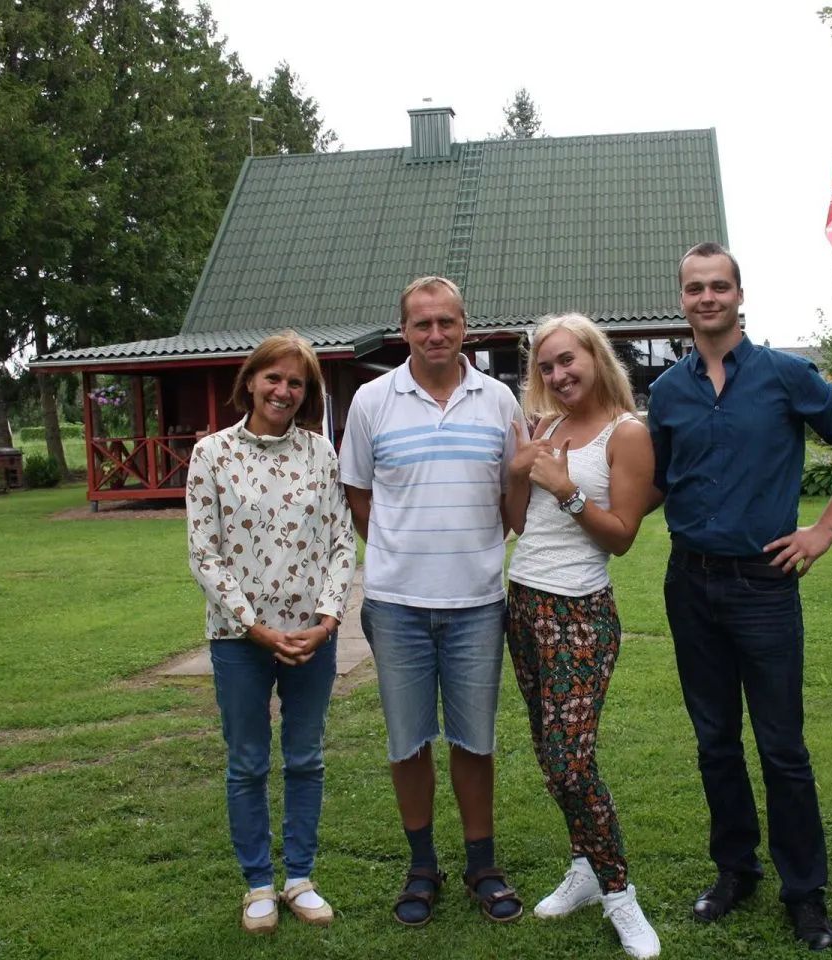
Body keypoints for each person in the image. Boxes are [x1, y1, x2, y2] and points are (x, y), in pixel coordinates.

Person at [646, 242, 832, 952]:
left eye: (719, 286)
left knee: (782, 747)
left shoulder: (784, 376)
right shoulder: (667, 393)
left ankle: (805, 894)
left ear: (740, 295)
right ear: (682, 299)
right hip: (689, 584)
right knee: (715, 742)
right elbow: (659, 482)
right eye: (695, 288)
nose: (707, 297)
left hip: (764, 586)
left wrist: (824, 530)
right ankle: (735, 871)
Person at [339, 276, 530, 926]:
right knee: (408, 741)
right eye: (422, 324)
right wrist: (403, 554)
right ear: (405, 332)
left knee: (475, 742)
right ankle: (422, 866)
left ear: (465, 326)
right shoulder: (371, 401)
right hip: (396, 606)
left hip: (477, 602)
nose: (436, 334)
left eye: (447, 322)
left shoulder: (500, 401)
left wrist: (468, 548)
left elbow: (513, 500)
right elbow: (359, 495)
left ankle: (484, 864)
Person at [184, 331, 357, 934]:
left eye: (296, 383)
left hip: (313, 636)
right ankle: (258, 883)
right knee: (248, 762)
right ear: (251, 381)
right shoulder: (212, 455)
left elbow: (342, 539)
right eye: (274, 378)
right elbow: (205, 554)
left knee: (305, 758)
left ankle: (301, 878)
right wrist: (251, 625)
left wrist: (330, 617)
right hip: (239, 642)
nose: (283, 391)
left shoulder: (320, 454)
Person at [505, 314, 661, 958]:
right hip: (525, 604)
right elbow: (515, 521)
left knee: (571, 763)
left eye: (568, 360)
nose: (558, 375)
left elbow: (622, 535)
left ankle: (620, 893)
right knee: (553, 757)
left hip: (582, 614)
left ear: (596, 357)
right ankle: (584, 868)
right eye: (546, 366)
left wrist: (567, 490)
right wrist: (519, 473)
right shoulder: (545, 428)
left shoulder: (629, 434)